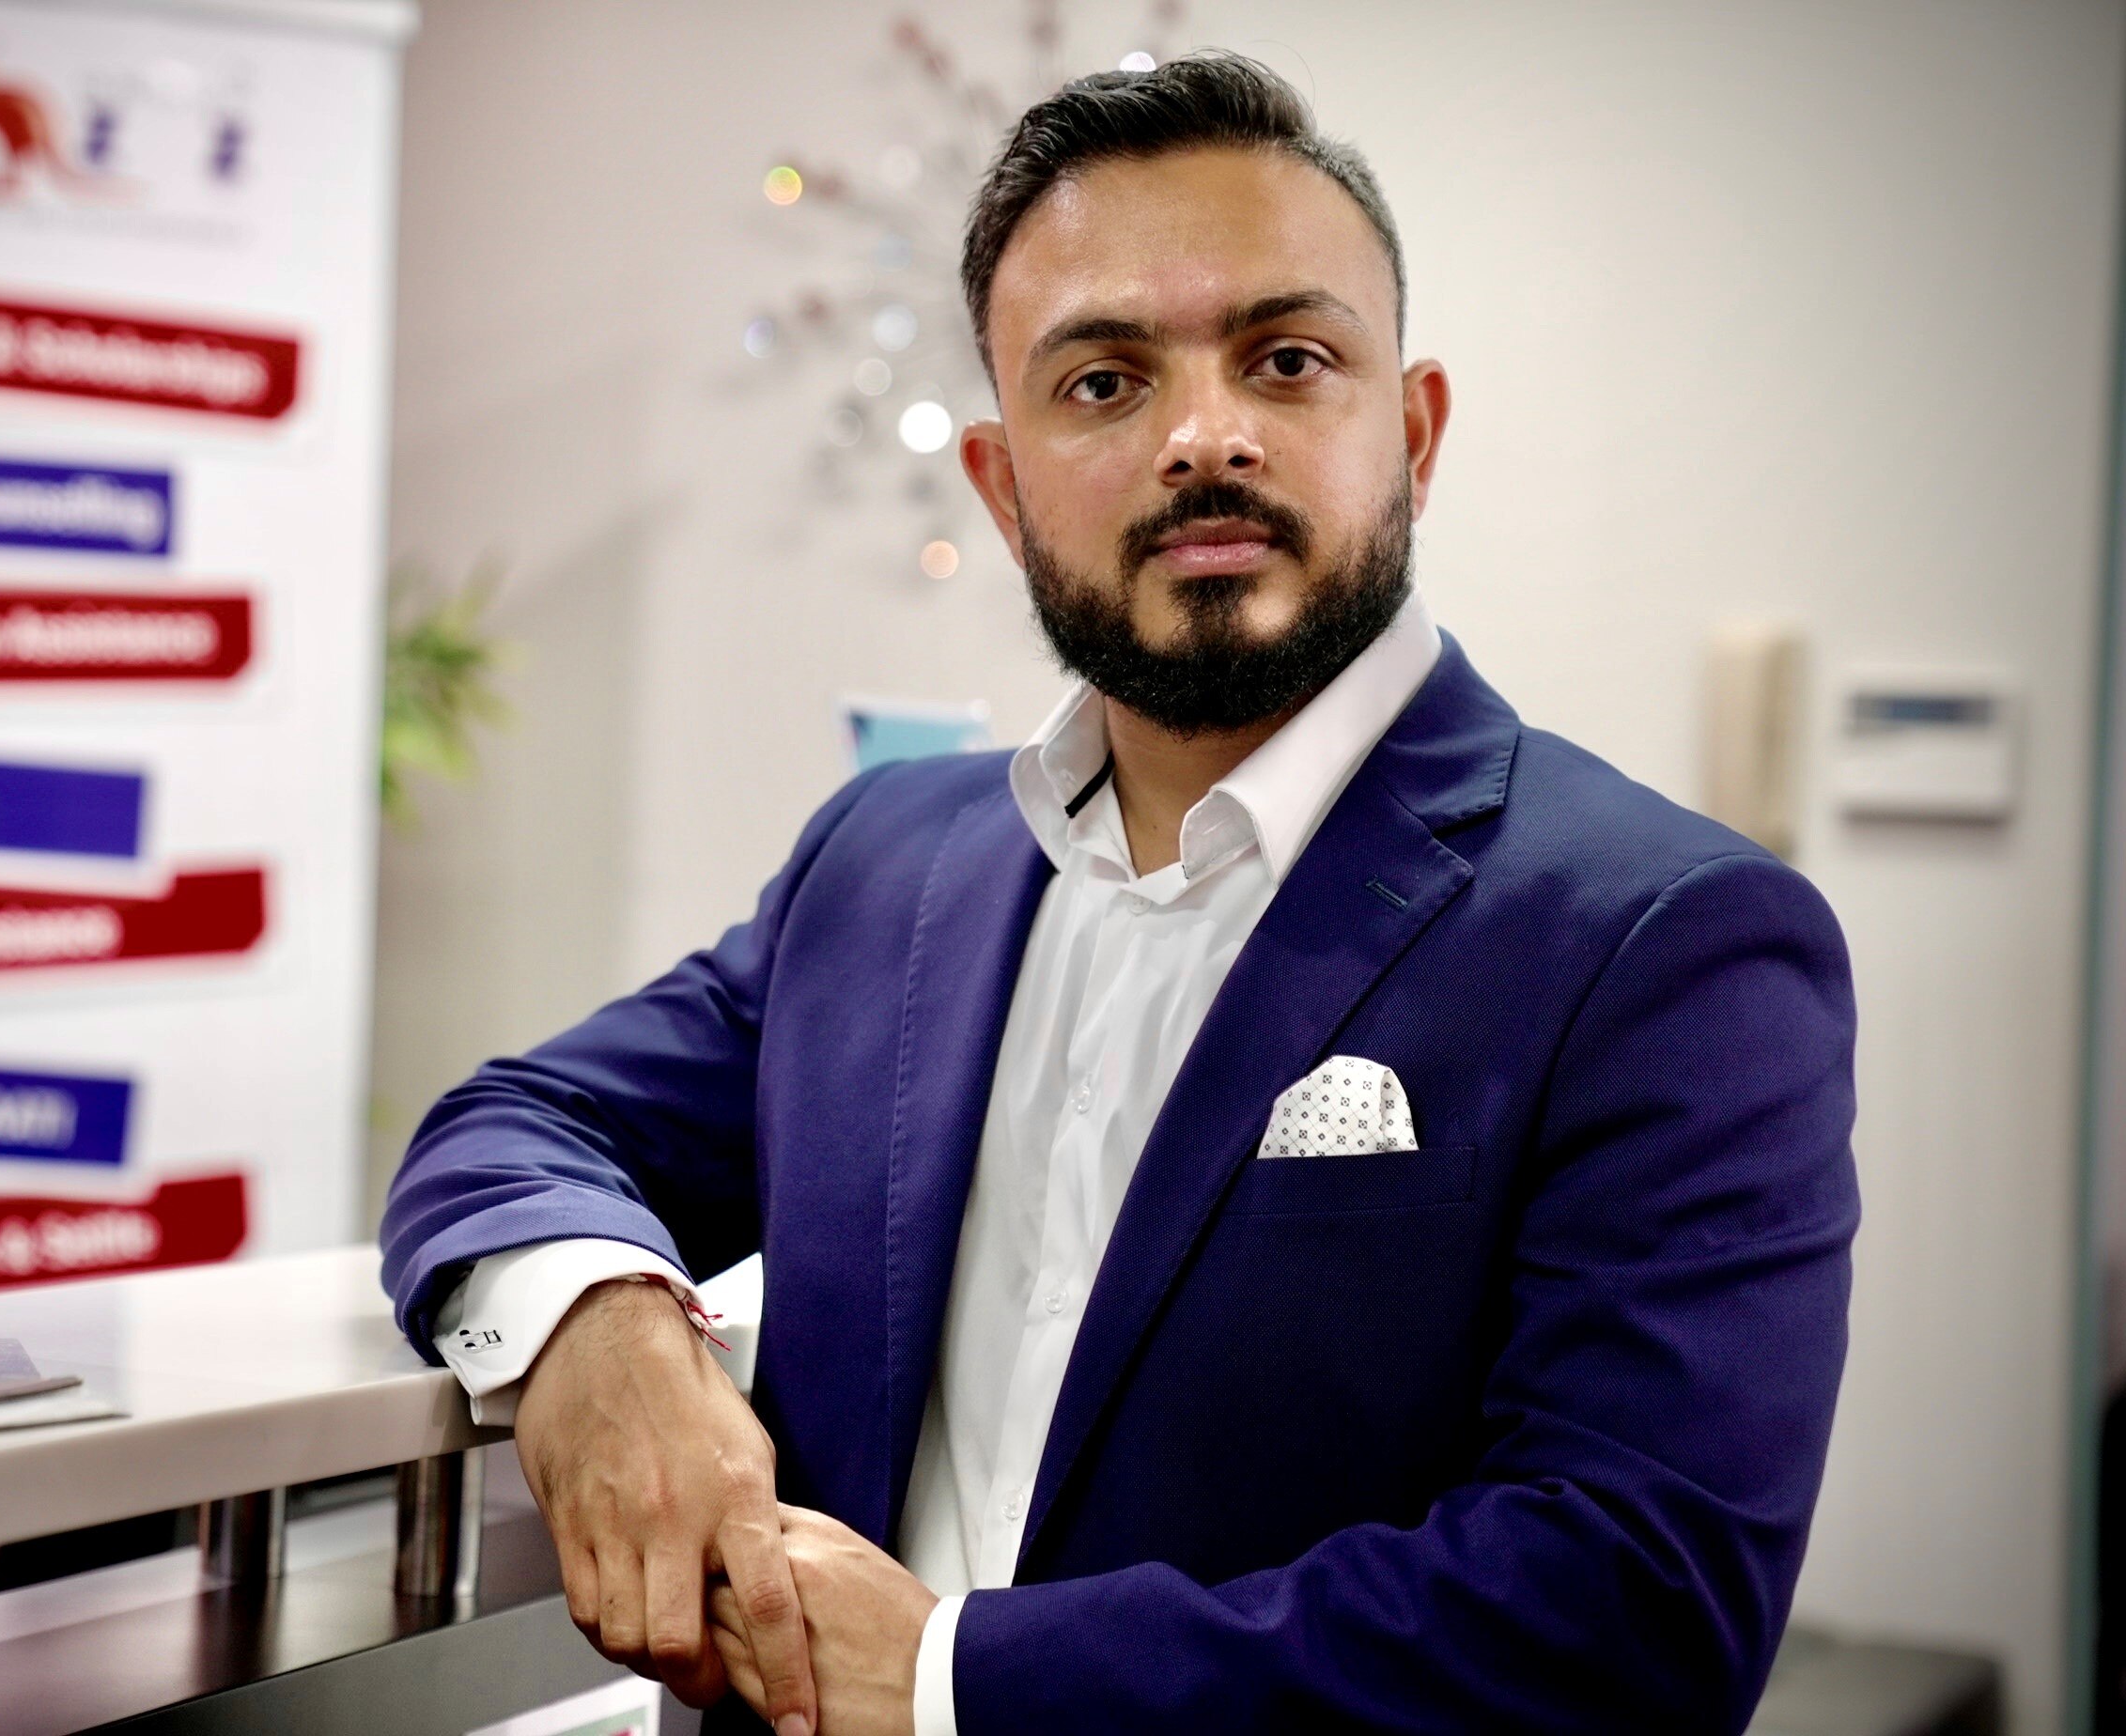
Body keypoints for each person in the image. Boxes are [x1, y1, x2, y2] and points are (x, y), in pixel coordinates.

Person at [380, 51, 1856, 1735]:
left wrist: (947, 1682)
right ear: (1004, 492)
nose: (1204, 436)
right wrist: (602, 1326)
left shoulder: (1664, 940)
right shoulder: (885, 866)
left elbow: (1630, 1615)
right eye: (1103, 381)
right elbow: (513, 1124)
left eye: (1286, 359)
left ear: (1413, 431)